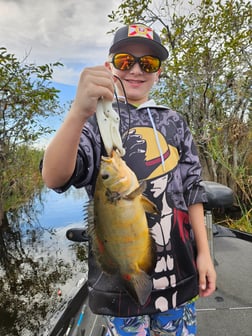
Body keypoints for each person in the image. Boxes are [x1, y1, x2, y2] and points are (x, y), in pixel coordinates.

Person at [41, 23, 216, 336]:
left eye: (148, 63)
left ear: (159, 72)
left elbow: (193, 191)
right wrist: (78, 112)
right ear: (110, 67)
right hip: (120, 287)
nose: (136, 69)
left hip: (179, 278)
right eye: (125, 61)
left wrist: (204, 254)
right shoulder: (94, 122)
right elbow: (55, 177)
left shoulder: (174, 121)